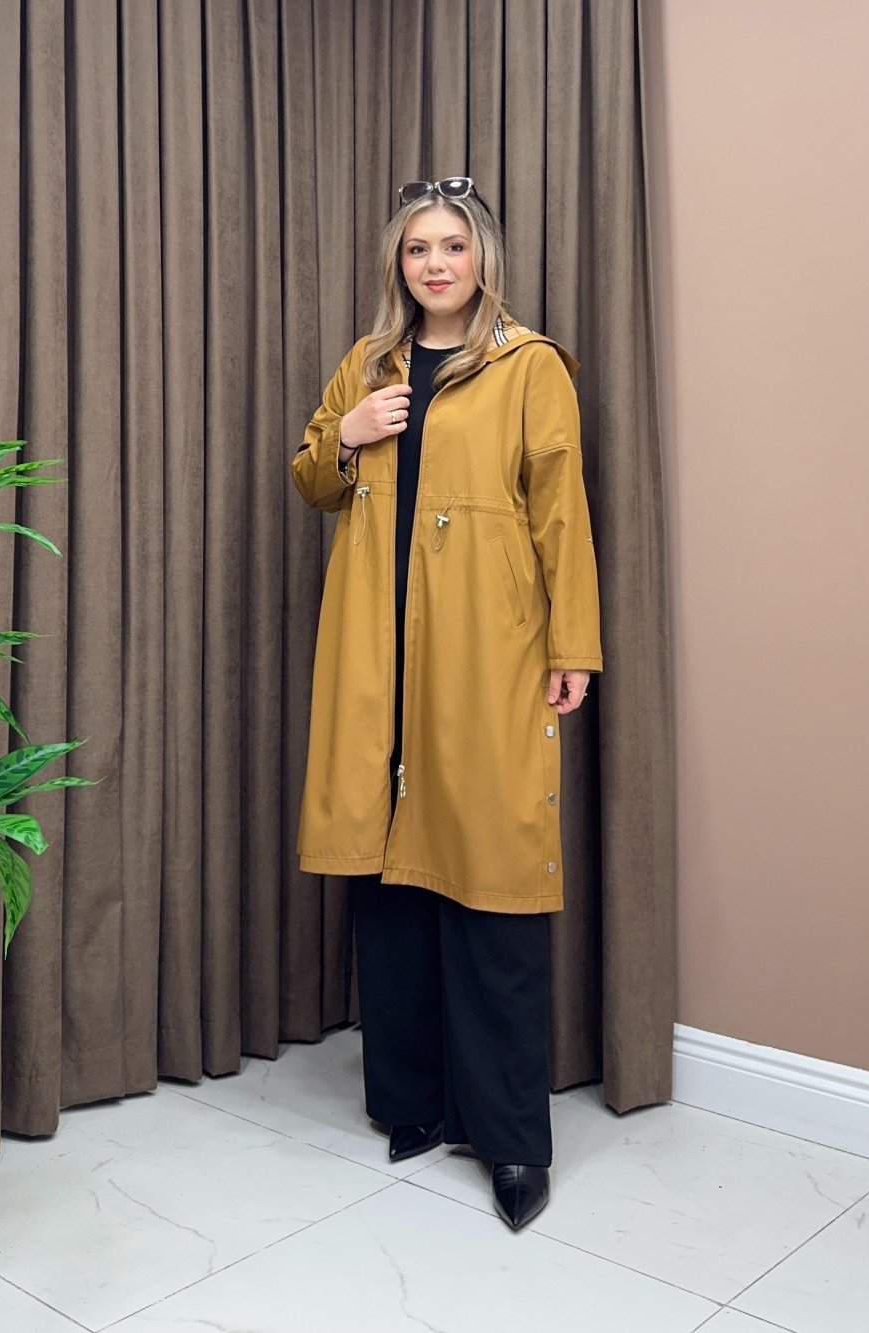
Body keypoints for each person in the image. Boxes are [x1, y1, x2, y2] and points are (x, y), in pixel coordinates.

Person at [291, 177, 602, 1231]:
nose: (435, 264)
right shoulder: (369, 363)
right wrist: (347, 434)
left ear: (482, 259)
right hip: (374, 641)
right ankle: (411, 1101)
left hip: (484, 641)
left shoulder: (528, 364)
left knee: (492, 869)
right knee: (386, 869)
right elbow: (312, 482)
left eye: (453, 247)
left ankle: (508, 1138)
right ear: (400, 262)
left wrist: (573, 644)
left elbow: (561, 510)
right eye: (418, 248)